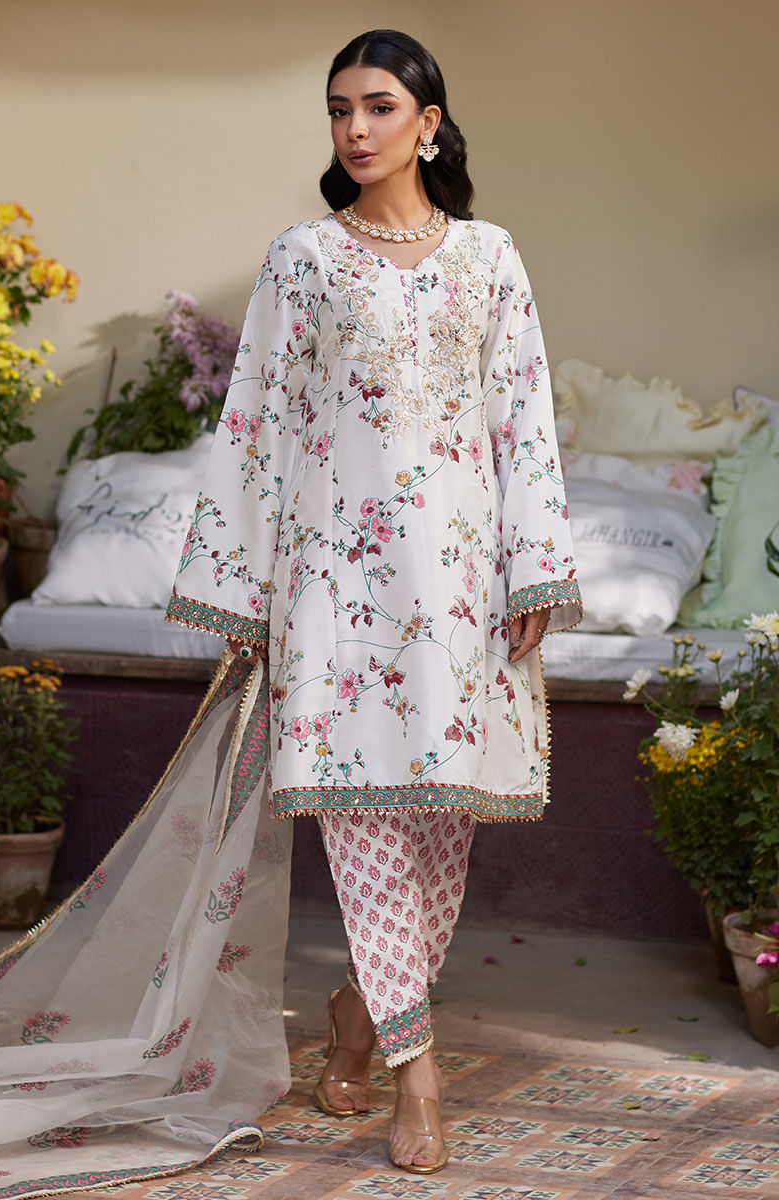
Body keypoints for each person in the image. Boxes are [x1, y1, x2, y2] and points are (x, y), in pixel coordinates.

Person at [165, 28, 581, 1175]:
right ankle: (418, 1077)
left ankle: (359, 1012)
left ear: (427, 123)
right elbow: (254, 424)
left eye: (379, 107)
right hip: (337, 588)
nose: (355, 129)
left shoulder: (489, 257)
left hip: (459, 585)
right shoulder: (302, 258)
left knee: (440, 825)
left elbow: (522, 418)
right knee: (360, 826)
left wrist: (533, 566)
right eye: (339, 109)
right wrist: (244, 588)